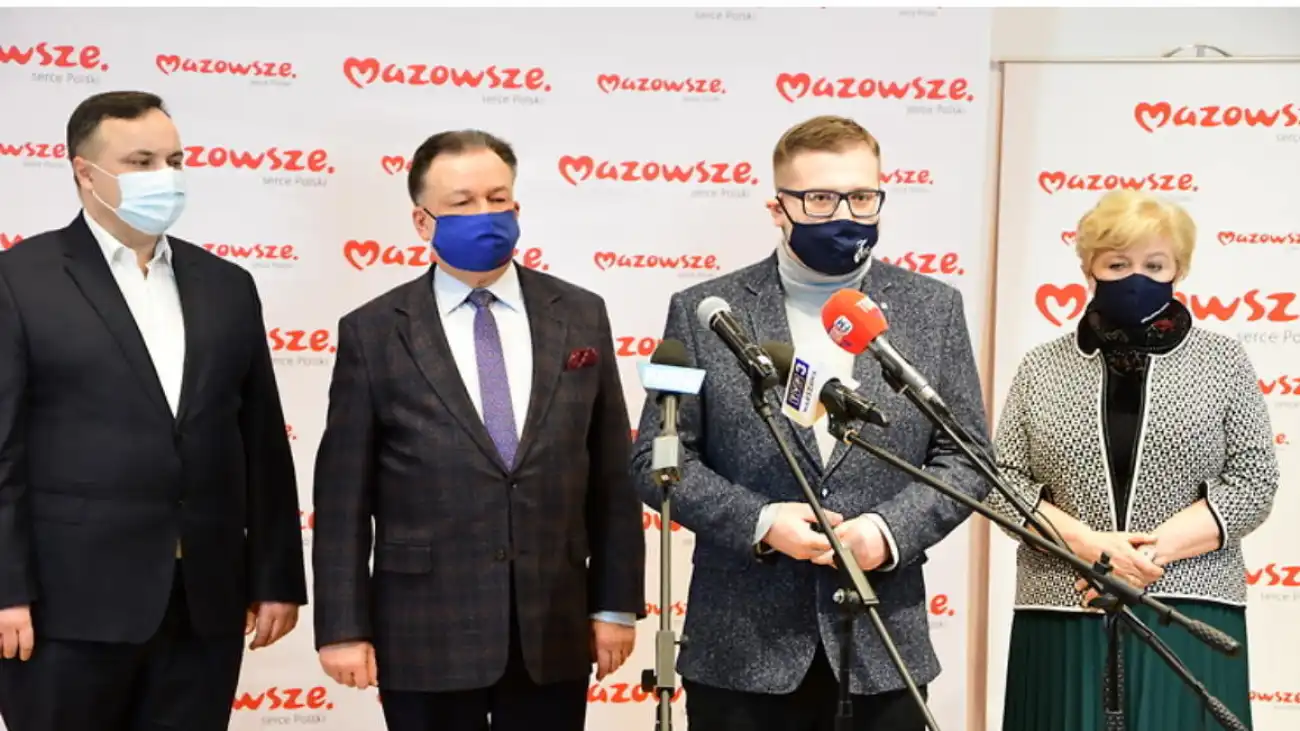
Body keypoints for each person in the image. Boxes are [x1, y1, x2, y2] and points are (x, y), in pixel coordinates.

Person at [629, 114, 992, 731]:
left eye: (862, 197)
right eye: (820, 199)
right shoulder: (702, 312)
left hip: (883, 644)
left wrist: (887, 531)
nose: (844, 215)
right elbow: (658, 459)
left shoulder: (933, 309)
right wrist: (762, 521)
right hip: (741, 650)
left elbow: (967, 458)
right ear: (778, 208)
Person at [311, 129, 645, 731]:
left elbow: (612, 477)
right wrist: (342, 627)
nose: (486, 215)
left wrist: (616, 605)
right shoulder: (374, 331)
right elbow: (342, 497)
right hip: (424, 629)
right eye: (462, 203)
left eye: (498, 198)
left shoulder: (580, 314)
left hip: (553, 624)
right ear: (423, 221)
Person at [0, 91, 307, 731]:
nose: (164, 176)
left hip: (204, 604)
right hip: (64, 609)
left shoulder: (227, 284)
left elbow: (261, 442)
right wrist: (6, 589)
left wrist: (277, 575)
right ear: (85, 172)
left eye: (174, 160)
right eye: (140, 162)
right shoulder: (19, 279)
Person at [988, 190, 1278, 731]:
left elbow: (1253, 482)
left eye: (1154, 265)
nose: (1136, 278)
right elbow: (1000, 483)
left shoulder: (1224, 361)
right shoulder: (1040, 368)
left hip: (1188, 610)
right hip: (1062, 605)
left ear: (1179, 270)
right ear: (1089, 269)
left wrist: (1140, 559)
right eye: (1117, 264)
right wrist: (1090, 550)